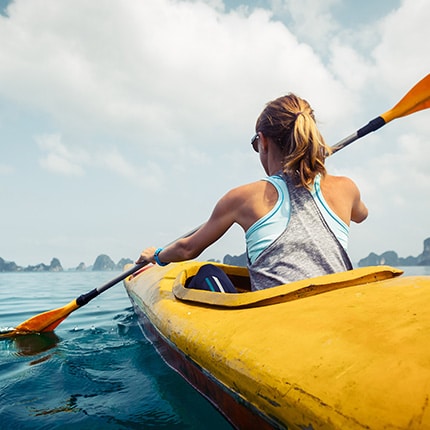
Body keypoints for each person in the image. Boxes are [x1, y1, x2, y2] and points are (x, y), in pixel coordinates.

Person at [136, 93, 368, 292]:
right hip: (338, 307)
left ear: (263, 141)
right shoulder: (346, 188)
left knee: (206, 273)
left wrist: (155, 256)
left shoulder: (242, 198)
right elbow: (361, 215)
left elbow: (188, 249)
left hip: (277, 320)